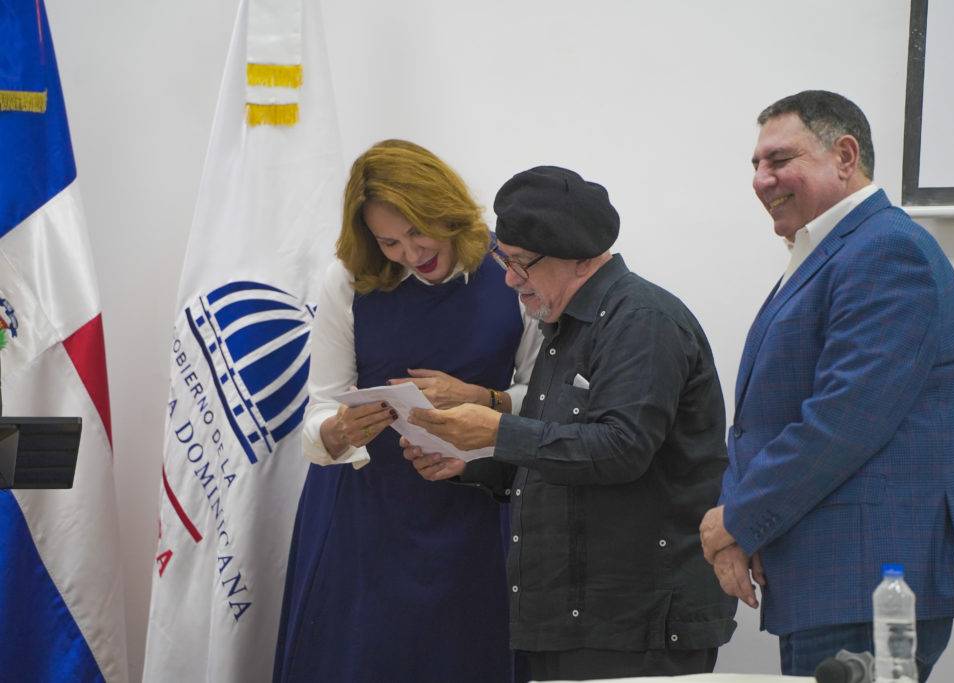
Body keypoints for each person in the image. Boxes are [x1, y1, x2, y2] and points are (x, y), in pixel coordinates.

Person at [403, 165, 737, 680]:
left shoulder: (641, 321)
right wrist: (469, 463)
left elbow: (621, 449)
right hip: (573, 622)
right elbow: (554, 456)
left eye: (519, 264)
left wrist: (495, 431)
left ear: (579, 258)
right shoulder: (562, 329)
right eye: (502, 260)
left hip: (635, 627)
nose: (510, 279)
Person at [698, 90, 954, 679]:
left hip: (870, 581)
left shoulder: (886, 250)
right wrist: (735, 518)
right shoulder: (830, 254)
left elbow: (841, 421)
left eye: (778, 159)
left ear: (845, 155)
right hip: (832, 582)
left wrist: (737, 519)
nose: (760, 179)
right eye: (754, 165)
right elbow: (762, 419)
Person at [273, 139, 542, 683]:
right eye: (389, 241)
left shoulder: (510, 268)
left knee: (467, 656)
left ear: (447, 208)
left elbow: (542, 392)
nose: (410, 252)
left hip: (476, 509)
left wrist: (481, 398)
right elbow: (320, 404)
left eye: (418, 231)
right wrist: (337, 429)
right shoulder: (348, 280)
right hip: (365, 514)